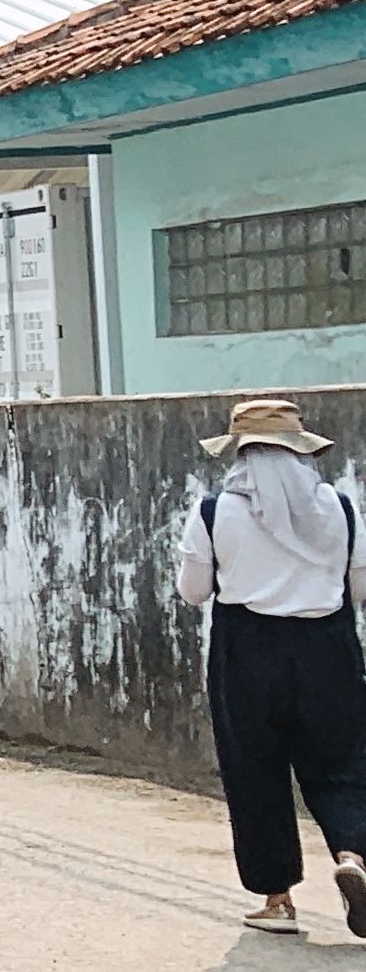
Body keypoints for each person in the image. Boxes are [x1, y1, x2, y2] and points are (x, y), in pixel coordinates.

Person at [174, 398, 366, 936]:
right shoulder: (339, 508)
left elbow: (193, 592)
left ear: (239, 452)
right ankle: (355, 853)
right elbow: (359, 589)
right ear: (301, 451)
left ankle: (277, 898)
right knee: (345, 763)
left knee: (254, 771)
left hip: (246, 650)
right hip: (327, 647)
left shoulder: (215, 510)